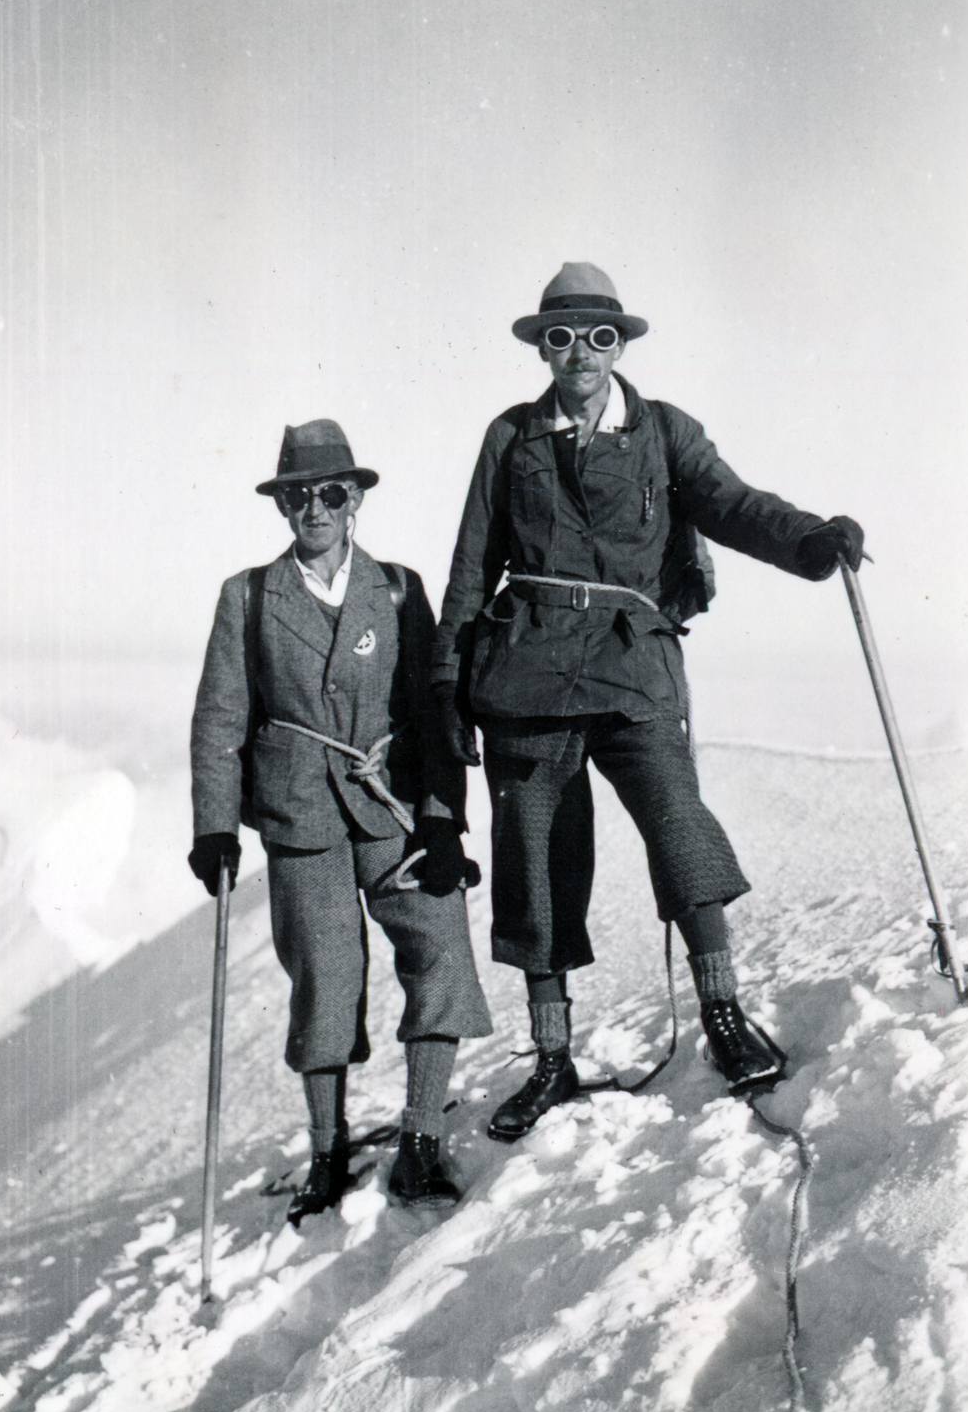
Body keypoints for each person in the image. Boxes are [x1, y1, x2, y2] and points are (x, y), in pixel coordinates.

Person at [432, 262, 865, 1140]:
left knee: (679, 822)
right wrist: (447, 678)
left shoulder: (664, 431)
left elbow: (732, 503)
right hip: (525, 676)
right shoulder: (510, 439)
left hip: (634, 670)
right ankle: (552, 1062)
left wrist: (810, 538)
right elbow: (472, 561)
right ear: (541, 348)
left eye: (598, 336)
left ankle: (724, 1017)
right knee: (535, 863)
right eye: (560, 337)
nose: (580, 353)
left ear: (621, 343)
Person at [189, 419, 492, 1224]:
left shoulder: (397, 589)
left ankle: (423, 1137)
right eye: (297, 497)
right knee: (325, 976)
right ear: (283, 507)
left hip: (388, 801)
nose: (313, 510)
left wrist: (440, 819)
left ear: (354, 499)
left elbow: (433, 715)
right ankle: (329, 1149)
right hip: (298, 816)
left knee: (439, 941)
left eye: (329, 494)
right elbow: (220, 719)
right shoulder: (248, 596)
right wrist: (215, 826)